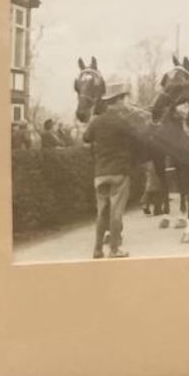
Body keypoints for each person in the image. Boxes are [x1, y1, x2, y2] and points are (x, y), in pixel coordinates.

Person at [80, 82, 147, 259]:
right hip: (119, 172)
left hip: (100, 173)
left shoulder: (97, 121)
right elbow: (139, 137)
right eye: (123, 99)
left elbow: (86, 138)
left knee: (102, 212)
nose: (124, 102)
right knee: (116, 213)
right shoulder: (122, 121)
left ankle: (97, 249)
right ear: (117, 101)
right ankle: (115, 249)